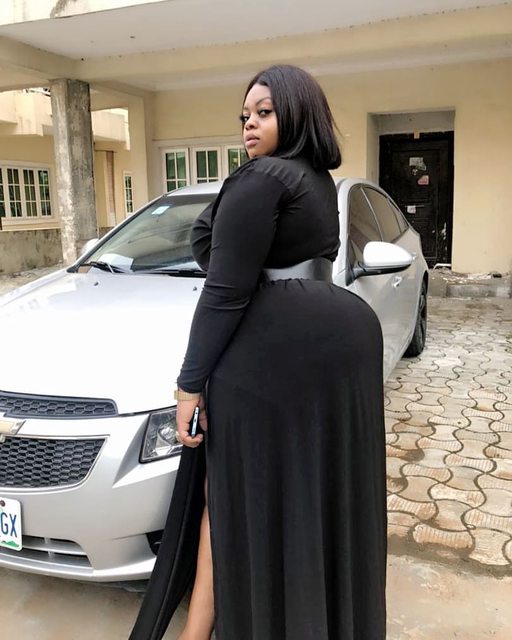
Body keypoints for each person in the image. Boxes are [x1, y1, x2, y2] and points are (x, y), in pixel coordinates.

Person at [140, 64, 387, 640]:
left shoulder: (262, 178)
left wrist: (189, 384)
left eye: (264, 112)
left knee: (230, 498)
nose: (249, 124)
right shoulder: (318, 181)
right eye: (245, 115)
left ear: (296, 112)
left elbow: (224, 291)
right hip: (336, 341)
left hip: (272, 352)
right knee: (307, 493)